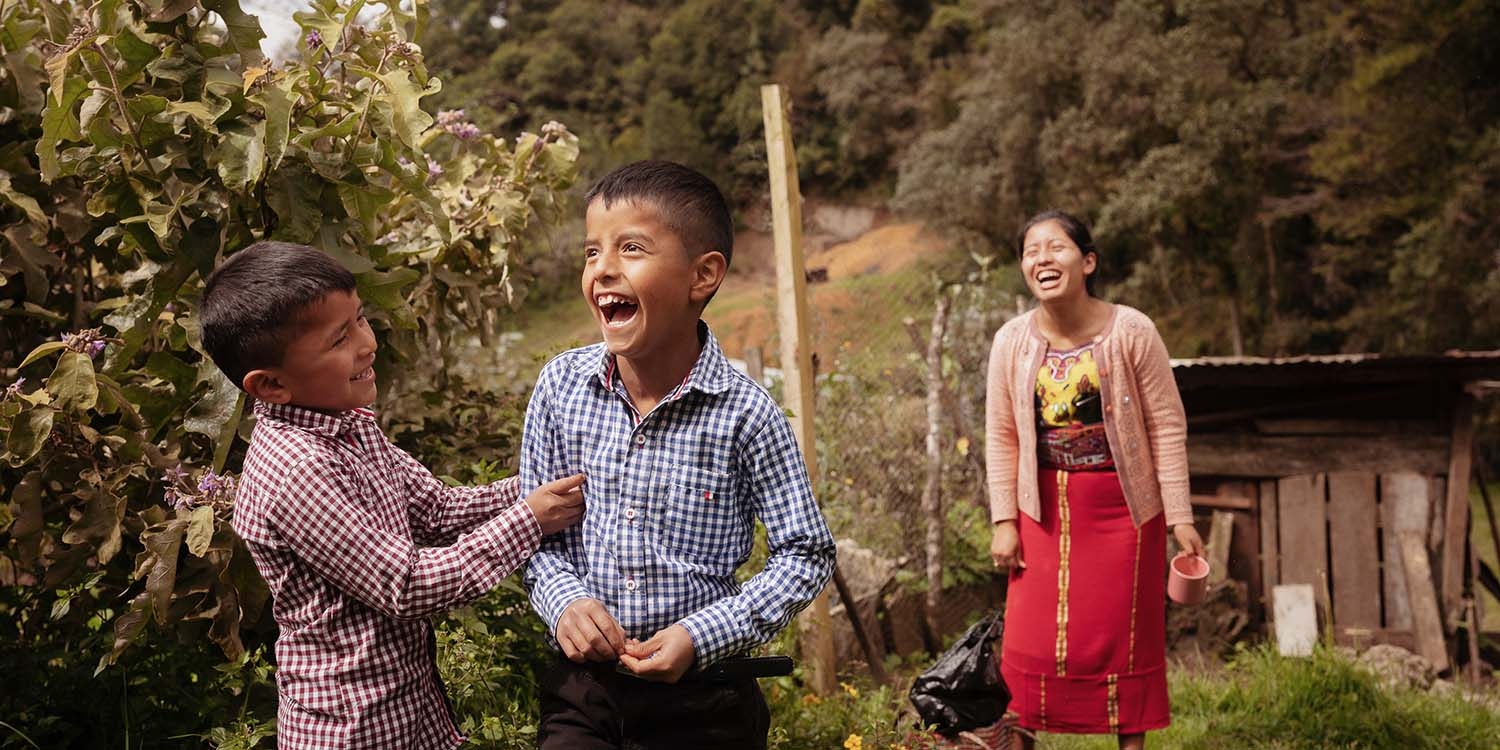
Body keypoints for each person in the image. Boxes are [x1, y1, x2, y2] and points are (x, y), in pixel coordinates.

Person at [201, 241, 587, 749]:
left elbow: (437, 510)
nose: (368, 344)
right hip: (350, 729)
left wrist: (538, 483)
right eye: (340, 338)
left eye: (360, 319)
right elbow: (405, 585)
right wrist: (531, 520)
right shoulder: (296, 470)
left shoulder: (348, 426)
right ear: (271, 384)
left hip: (409, 715)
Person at [521, 160, 836, 749]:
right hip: (585, 695)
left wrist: (705, 633)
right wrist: (565, 603)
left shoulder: (745, 413)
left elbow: (806, 550)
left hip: (706, 701)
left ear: (702, 275)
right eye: (592, 253)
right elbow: (535, 533)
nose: (603, 270)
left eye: (631, 248)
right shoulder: (560, 389)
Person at [985, 211, 1205, 750]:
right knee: (1030, 642)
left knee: (1125, 641)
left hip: (1124, 514)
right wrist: (1003, 520)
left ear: (1087, 262)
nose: (1041, 259)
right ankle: (1021, 741)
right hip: (1041, 511)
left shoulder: (1132, 331)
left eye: (1055, 248)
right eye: (1031, 251)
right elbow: (1001, 436)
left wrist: (1180, 517)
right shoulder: (1011, 341)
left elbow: (1166, 426)